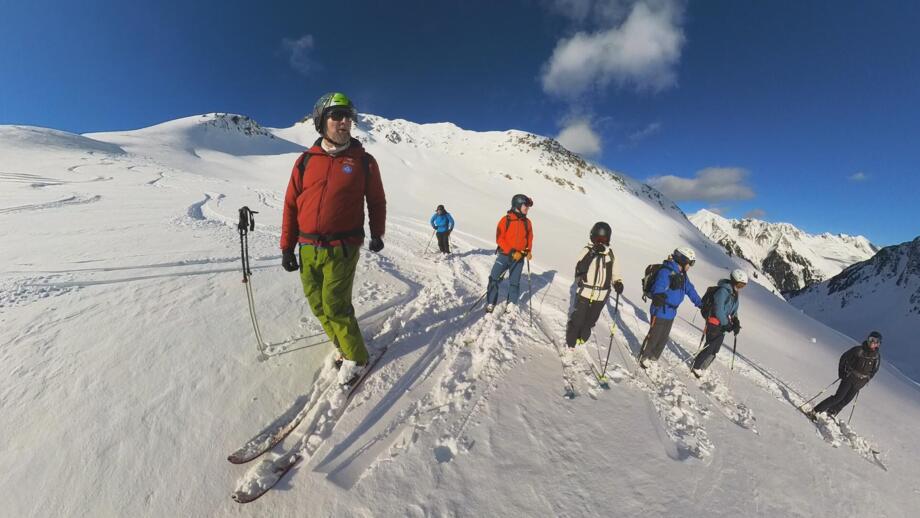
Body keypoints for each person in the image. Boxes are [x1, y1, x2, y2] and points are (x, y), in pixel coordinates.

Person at [279, 92, 387, 385]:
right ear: (321, 121)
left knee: (335, 304)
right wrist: (287, 246)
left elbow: (376, 200)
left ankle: (358, 357)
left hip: (343, 247)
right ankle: (341, 343)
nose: (344, 122)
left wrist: (377, 232)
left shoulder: (364, 161)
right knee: (317, 304)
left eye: (348, 116)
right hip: (308, 247)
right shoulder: (305, 162)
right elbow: (291, 205)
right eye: (336, 116)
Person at [638, 247, 703, 368]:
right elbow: (658, 287)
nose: (690, 266)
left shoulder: (683, 274)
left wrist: (700, 303)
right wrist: (658, 296)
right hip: (660, 309)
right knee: (654, 335)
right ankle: (644, 356)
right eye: (690, 263)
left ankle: (654, 357)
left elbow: (690, 289)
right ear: (682, 260)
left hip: (671, 312)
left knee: (663, 337)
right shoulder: (666, 271)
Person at [565, 222, 624, 352]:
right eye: (598, 239)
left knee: (590, 321)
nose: (600, 242)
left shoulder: (610, 255)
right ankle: (570, 345)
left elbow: (616, 273)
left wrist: (618, 282)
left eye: (604, 240)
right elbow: (579, 269)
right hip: (585, 292)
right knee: (578, 320)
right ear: (593, 237)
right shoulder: (587, 250)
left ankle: (582, 338)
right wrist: (591, 253)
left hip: (601, 295)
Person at [810, 331, 882, 419]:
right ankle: (816, 410)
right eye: (871, 339)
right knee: (838, 397)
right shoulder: (858, 350)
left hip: (859, 383)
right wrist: (841, 373)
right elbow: (843, 358)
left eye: (876, 341)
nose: (873, 343)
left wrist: (867, 379)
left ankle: (831, 412)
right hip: (849, 377)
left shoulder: (876, 357)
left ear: (879, 344)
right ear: (868, 339)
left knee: (846, 400)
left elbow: (875, 370)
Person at [692, 269, 746, 377]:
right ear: (733, 281)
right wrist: (726, 323)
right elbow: (718, 309)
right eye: (740, 284)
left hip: (722, 325)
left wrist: (736, 322)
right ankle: (696, 366)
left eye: (743, 285)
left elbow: (734, 310)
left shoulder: (734, 294)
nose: (740, 287)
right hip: (714, 322)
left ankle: (703, 367)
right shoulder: (722, 291)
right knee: (709, 347)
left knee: (715, 349)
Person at [485, 194, 534, 313]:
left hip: (519, 257)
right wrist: (511, 252)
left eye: (527, 207)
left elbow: (529, 238)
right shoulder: (505, 220)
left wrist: (528, 250)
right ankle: (491, 301)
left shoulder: (527, 222)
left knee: (514, 281)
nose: (527, 209)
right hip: (504, 255)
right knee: (494, 278)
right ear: (517, 205)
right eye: (525, 206)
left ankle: (511, 302)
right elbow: (499, 238)